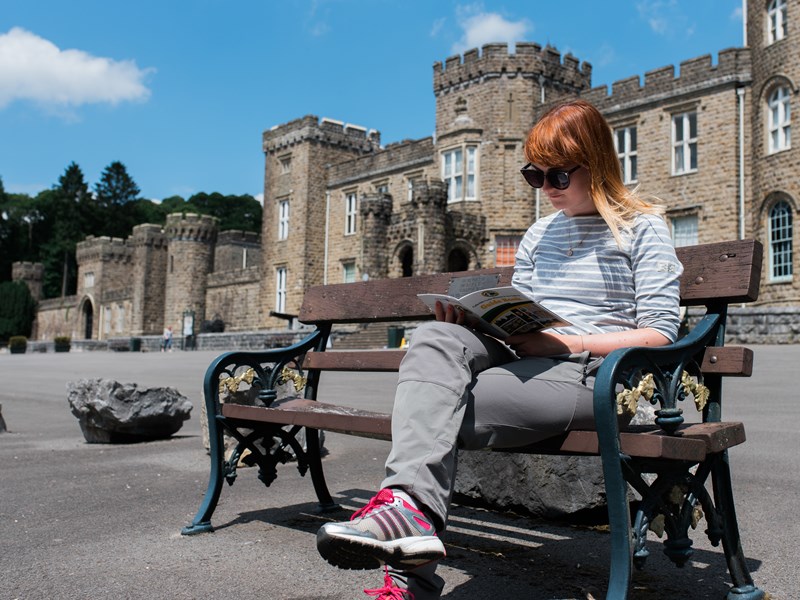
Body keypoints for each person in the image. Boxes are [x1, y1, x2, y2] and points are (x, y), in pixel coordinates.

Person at [315, 99, 684, 599]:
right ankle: (406, 513)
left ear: (596, 163)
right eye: (536, 176)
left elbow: (661, 332)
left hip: (596, 375)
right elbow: (524, 311)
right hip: (526, 359)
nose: (547, 189)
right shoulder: (538, 234)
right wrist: (475, 318)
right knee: (434, 338)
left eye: (558, 176)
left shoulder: (642, 228)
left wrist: (563, 341)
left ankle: (408, 571)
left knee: (434, 413)